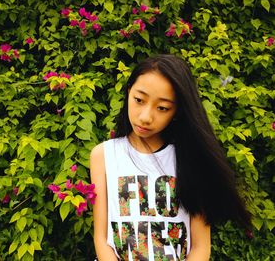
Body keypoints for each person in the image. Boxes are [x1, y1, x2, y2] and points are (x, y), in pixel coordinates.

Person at [90, 54, 250, 261]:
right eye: (139, 100)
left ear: (176, 112)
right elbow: (102, 239)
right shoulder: (104, 155)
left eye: (162, 108)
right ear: (128, 91)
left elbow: (200, 248)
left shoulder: (191, 159)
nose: (146, 117)